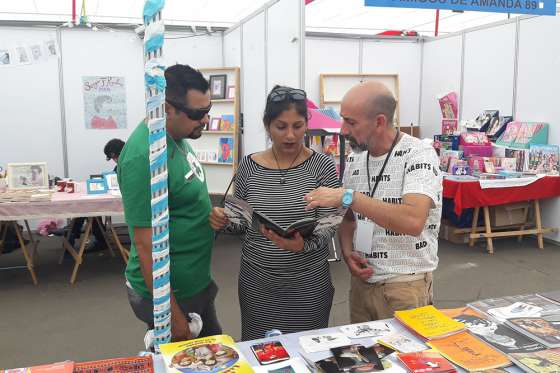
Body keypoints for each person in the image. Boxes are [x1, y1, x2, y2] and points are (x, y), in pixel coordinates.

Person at [209, 85, 340, 340]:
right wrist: (222, 219)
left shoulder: (322, 165)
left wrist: (304, 245)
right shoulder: (249, 165)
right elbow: (240, 222)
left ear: (307, 123)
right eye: (281, 127)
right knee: (261, 351)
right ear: (267, 125)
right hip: (258, 282)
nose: (290, 135)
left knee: (308, 351)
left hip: (308, 282)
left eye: (298, 126)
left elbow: (330, 223)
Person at [304, 81, 442, 321]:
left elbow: (412, 220)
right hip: (362, 283)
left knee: (403, 358)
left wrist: (349, 197)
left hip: (404, 287)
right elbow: (348, 217)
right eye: (343, 119)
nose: (342, 130)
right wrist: (347, 253)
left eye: (351, 122)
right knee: (362, 357)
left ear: (379, 122)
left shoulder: (419, 154)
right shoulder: (357, 159)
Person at [118, 64, 221, 341]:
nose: (205, 120)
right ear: (166, 108)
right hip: (171, 298)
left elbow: (180, 200)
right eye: (198, 114)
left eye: (208, 111)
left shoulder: (175, 136)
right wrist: (172, 319)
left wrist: (209, 215)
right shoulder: (144, 157)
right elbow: (145, 245)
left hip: (193, 285)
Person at [66, 138, 125, 253]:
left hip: (125, 201)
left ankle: (73, 233)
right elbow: (112, 178)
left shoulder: (127, 163)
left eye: (113, 157)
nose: (114, 160)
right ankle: (78, 233)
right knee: (89, 208)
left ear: (115, 154)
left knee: (88, 208)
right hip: (118, 198)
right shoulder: (121, 164)